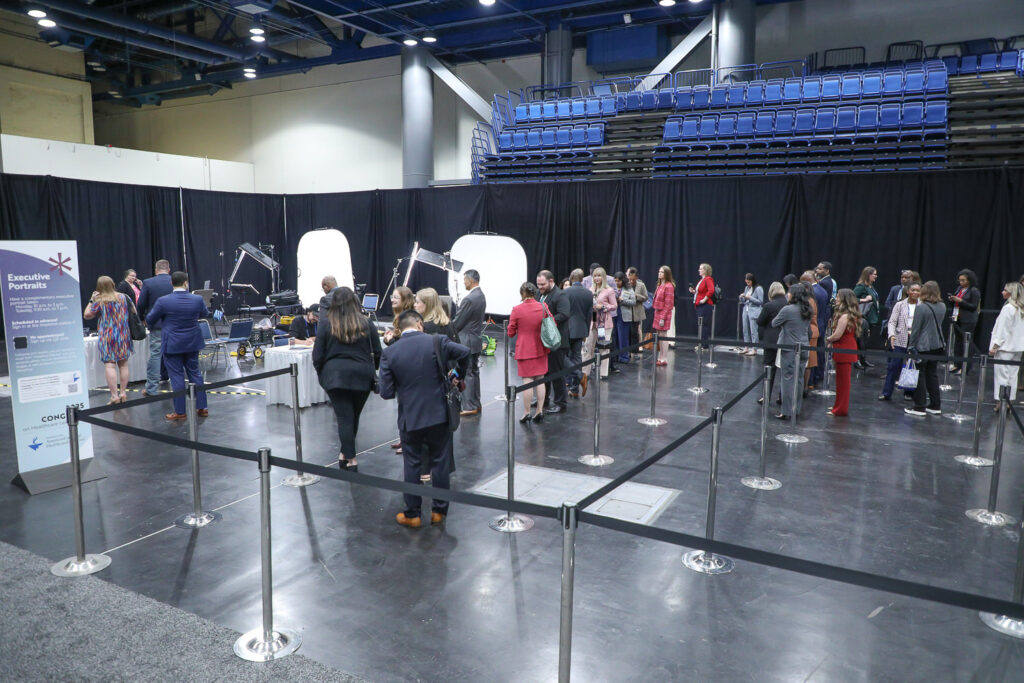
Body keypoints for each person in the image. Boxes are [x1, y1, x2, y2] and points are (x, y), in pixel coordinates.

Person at [379, 310, 470, 528]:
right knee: (440, 461)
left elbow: (386, 392)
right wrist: (457, 376)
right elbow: (465, 352)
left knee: (412, 464)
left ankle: (413, 514)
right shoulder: (437, 341)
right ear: (420, 324)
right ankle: (439, 512)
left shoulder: (390, 353)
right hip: (439, 413)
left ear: (400, 328)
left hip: (410, 417)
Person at [312, 287, 381, 471]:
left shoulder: (327, 324)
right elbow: (378, 352)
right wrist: (371, 370)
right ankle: (347, 456)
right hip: (362, 375)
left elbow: (317, 355)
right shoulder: (367, 323)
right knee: (353, 416)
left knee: (345, 418)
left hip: (334, 376)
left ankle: (349, 457)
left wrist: (322, 374)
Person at [145, 271, 209, 421]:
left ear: (171, 283)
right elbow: (205, 313)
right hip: (192, 342)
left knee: (176, 377)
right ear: (186, 282)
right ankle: (202, 408)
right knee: (195, 374)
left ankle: (180, 412)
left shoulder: (163, 301)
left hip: (172, 344)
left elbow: (150, 318)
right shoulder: (197, 299)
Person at [83, 275, 133, 404]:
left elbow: (87, 315)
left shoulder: (100, 300)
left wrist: (91, 300)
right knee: (124, 365)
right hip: (123, 335)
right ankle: (123, 393)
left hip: (107, 336)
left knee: (110, 366)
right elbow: (134, 311)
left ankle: (114, 396)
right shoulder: (123, 297)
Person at [509, 282, 550, 423]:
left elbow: (510, 332)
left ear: (522, 294)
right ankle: (539, 410)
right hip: (541, 348)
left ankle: (526, 412)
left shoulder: (517, 309)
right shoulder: (543, 306)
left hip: (525, 349)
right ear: (534, 293)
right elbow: (552, 324)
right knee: (540, 380)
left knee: (527, 381)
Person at [905, 281, 947, 417]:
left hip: (923, 346)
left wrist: (911, 346)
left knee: (920, 376)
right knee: (932, 375)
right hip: (937, 345)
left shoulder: (921, 308)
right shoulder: (942, 306)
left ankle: (919, 406)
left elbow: (916, 329)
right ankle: (935, 405)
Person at [771, 283, 812, 420]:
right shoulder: (807, 308)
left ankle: (786, 411)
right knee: (799, 380)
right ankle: (796, 409)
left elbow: (774, 323)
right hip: (804, 347)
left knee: (787, 380)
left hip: (789, 349)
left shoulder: (787, 309)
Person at [136, 259, 173, 397]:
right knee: (173, 353)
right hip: (174, 324)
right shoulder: (175, 281)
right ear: (168, 270)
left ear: (156, 270)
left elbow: (140, 304)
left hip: (156, 324)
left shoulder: (148, 282)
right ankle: (171, 380)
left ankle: (151, 388)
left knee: (156, 354)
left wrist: (142, 318)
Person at [451, 269, 486, 416]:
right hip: (475, 340)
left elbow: (458, 322)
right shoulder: (481, 295)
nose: (464, 282)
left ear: (470, 280)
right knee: (474, 373)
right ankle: (476, 403)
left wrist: (448, 329)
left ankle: (469, 406)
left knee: (467, 375)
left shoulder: (469, 299)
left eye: (465, 280)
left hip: (467, 342)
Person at [879, 282, 921, 402]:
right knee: (893, 366)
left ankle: (909, 392)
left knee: (911, 366)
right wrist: (891, 334)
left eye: (918, 291)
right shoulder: (900, 304)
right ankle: (886, 392)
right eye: (913, 290)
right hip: (900, 339)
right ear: (908, 291)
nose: (915, 293)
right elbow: (892, 321)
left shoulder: (922, 306)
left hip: (914, 340)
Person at [537, 270, 570, 413]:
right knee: (544, 372)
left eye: (543, 284)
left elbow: (564, 314)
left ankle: (560, 403)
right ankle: (543, 399)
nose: (540, 287)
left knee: (556, 373)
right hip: (545, 341)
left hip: (557, 341)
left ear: (551, 281)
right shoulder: (541, 294)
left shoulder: (560, 295)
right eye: (538, 284)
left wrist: (546, 322)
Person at [826, 289, 862, 417]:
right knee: (841, 382)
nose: (836, 298)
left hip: (844, 349)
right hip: (846, 348)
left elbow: (837, 334)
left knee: (843, 383)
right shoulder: (850, 315)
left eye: (838, 296)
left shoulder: (845, 316)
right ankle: (838, 405)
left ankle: (840, 409)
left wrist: (828, 339)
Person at [989, 282, 1024, 406]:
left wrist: (995, 346)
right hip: (1018, 348)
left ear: (1011, 293)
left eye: (1005, 290)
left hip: (1005, 348)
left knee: (1002, 376)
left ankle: (1000, 402)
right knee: (1013, 376)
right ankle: (1009, 402)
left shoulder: (1008, 308)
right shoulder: (1021, 309)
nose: (1002, 292)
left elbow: (1003, 329)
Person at [757, 282, 788, 404]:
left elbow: (760, 321)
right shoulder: (788, 304)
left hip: (771, 341)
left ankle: (766, 396)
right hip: (785, 341)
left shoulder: (769, 306)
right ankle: (782, 396)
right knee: (785, 371)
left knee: (769, 368)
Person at [565, 268, 593, 398]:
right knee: (577, 358)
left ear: (571, 278)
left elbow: (564, 313)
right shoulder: (588, 293)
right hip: (581, 329)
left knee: (563, 358)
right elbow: (589, 316)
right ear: (582, 279)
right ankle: (574, 389)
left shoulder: (566, 292)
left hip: (567, 329)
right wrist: (586, 332)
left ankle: (580, 377)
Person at [948, 268, 981, 375]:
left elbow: (973, 306)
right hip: (957, 318)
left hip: (968, 320)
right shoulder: (959, 289)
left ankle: (966, 367)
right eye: (960, 280)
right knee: (958, 342)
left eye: (963, 280)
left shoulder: (974, 291)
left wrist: (961, 301)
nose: (961, 282)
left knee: (966, 343)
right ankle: (957, 364)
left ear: (969, 280)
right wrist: (952, 300)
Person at [586, 267, 617, 379]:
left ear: (603, 277)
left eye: (599, 276)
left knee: (603, 348)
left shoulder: (609, 290)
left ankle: (603, 373)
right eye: (595, 276)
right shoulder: (590, 290)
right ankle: (586, 373)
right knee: (588, 346)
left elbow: (614, 306)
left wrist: (603, 306)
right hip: (592, 321)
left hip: (603, 322)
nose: (597, 278)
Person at [853, 267, 881, 368]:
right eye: (874, 274)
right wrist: (863, 300)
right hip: (864, 317)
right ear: (868, 275)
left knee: (865, 341)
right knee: (860, 340)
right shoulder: (861, 286)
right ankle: (856, 361)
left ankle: (863, 359)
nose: (876, 276)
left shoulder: (871, 287)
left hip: (872, 318)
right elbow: (851, 298)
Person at [799, 272, 820, 391]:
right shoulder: (812, 299)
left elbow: (807, 316)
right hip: (812, 331)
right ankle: (805, 386)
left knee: (807, 362)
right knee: (808, 362)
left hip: (810, 332)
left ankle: (804, 387)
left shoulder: (809, 300)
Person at [652, 265, 676, 366]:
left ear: (666, 274)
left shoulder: (669, 286)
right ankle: (660, 356)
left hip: (664, 313)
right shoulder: (660, 284)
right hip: (657, 311)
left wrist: (663, 317)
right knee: (659, 335)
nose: (659, 273)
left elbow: (669, 304)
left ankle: (664, 358)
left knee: (663, 335)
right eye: (659, 271)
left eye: (662, 272)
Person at [688, 263, 715, 349]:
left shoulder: (708, 279)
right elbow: (700, 292)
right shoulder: (702, 280)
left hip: (705, 305)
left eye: (700, 269)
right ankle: (702, 343)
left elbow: (711, 290)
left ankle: (704, 345)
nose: (699, 270)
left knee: (704, 325)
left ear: (705, 270)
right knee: (701, 324)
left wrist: (704, 299)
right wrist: (693, 291)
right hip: (700, 305)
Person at [624, 268, 648, 360]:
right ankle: (628, 351)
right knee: (628, 333)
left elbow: (645, 297)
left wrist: (636, 296)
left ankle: (635, 352)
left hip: (637, 312)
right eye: (630, 279)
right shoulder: (625, 285)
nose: (631, 281)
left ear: (637, 278)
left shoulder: (641, 285)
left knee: (634, 332)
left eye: (633, 280)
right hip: (627, 312)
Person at [739, 273, 764, 355]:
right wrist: (742, 297)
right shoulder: (747, 288)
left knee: (753, 331)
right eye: (746, 282)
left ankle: (754, 349)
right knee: (745, 329)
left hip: (754, 311)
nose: (747, 284)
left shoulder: (758, 288)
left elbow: (760, 302)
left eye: (749, 282)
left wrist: (750, 298)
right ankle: (746, 347)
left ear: (752, 281)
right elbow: (745, 301)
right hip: (746, 310)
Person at [613, 272, 632, 364]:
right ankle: (615, 356)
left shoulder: (628, 289)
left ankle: (624, 357)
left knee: (623, 337)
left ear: (623, 280)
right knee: (615, 336)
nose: (617, 282)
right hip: (614, 314)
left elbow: (633, 302)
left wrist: (623, 300)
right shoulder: (612, 289)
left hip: (624, 315)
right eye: (615, 280)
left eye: (619, 281)